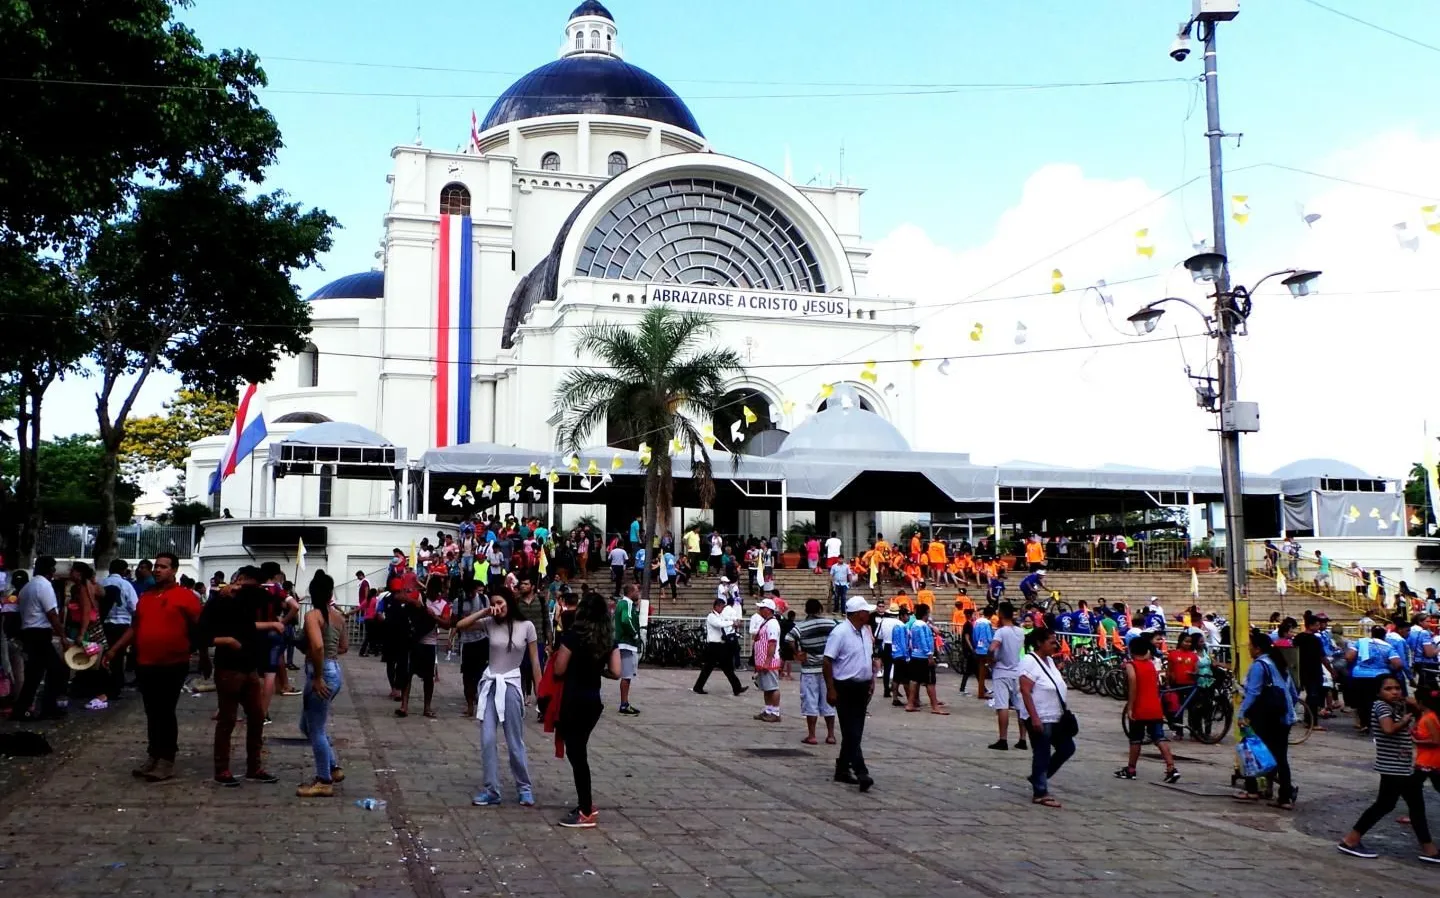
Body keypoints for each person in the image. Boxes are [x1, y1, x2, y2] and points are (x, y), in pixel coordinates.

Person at [102, 553, 203, 782]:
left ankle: (167, 759)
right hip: (146, 663)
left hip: (173, 663)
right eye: (156, 566)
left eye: (163, 567)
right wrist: (114, 649)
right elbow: (135, 627)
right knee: (152, 710)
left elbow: (199, 628)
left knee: (165, 711)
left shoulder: (186, 597)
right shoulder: (146, 597)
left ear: (174, 570)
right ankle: (154, 755)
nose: (158, 570)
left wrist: (204, 656)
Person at [1337, 674, 1440, 863]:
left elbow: (1416, 705)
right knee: (1402, 806)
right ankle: (1350, 841)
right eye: (1388, 689)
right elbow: (1388, 729)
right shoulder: (1381, 706)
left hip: (1398, 766)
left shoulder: (1393, 705)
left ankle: (1429, 849)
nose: (1394, 692)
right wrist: (1406, 719)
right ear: (1378, 692)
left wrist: (1409, 701)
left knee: (1393, 805)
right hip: (1393, 766)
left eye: (1397, 688)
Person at [455, 587, 539, 807]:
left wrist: (541, 695)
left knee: (514, 741)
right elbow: (460, 626)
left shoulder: (526, 627)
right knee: (487, 739)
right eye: (495, 603)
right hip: (491, 684)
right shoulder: (490, 624)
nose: (498, 607)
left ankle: (524, 787)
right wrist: (484, 611)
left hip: (511, 685)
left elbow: (535, 662)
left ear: (510, 602)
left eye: (501, 602)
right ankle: (491, 789)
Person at [199, 566, 274, 787]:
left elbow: (269, 597)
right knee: (227, 720)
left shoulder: (249, 599)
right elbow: (201, 635)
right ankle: (222, 769)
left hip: (249, 667)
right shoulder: (218, 602)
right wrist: (228, 641)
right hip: (228, 668)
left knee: (257, 716)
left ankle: (254, 766)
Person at [553, 592, 621, 828]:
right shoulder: (607, 638)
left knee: (577, 755)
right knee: (579, 752)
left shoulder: (574, 636)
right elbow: (616, 671)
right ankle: (586, 803)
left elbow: (559, 669)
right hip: (593, 700)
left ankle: (585, 810)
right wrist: (597, 670)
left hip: (573, 699)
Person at [1232, 631, 1299, 806]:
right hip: (1284, 715)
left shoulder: (1259, 665)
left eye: (1250, 647)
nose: (1249, 650)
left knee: (1251, 750)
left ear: (1257, 649)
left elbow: (1253, 692)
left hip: (1265, 717)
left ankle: (1252, 789)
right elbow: (1293, 692)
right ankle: (1285, 796)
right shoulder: (1279, 664)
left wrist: (1241, 713)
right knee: (1280, 757)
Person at [297, 571, 348, 797]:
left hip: (321, 671)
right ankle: (333, 767)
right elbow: (344, 647)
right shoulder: (338, 616)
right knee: (306, 725)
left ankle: (323, 780)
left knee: (315, 728)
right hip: (334, 669)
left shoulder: (312, 616)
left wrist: (317, 676)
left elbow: (317, 647)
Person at [824, 596, 878, 792]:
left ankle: (842, 767)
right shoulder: (840, 633)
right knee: (851, 730)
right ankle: (861, 771)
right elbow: (827, 661)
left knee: (855, 730)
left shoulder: (864, 631)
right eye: (866, 611)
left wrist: (871, 680)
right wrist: (831, 689)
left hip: (861, 686)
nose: (869, 614)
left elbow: (867, 657)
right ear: (857, 613)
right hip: (844, 686)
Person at [1019, 627, 1074, 808]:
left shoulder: (1049, 661)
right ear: (1039, 643)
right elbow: (1025, 691)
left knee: (1067, 748)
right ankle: (1040, 791)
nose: (1055, 645)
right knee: (1042, 752)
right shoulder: (1029, 661)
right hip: (1040, 715)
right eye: (1051, 641)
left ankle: (1038, 777)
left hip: (1056, 716)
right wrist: (1034, 718)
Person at [10, 556, 69, 722]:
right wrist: (62, 636)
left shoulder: (28, 587)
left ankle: (21, 710)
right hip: (40, 633)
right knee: (57, 670)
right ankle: (49, 707)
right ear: (50, 570)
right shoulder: (44, 586)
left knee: (35, 674)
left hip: (29, 632)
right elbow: (51, 613)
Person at [1116, 635, 1180, 784]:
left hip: (1140, 706)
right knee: (1159, 737)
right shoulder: (1150, 664)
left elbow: (1133, 684)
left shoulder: (1132, 665)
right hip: (1154, 706)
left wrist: (1130, 707)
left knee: (1135, 739)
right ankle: (1171, 768)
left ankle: (1131, 769)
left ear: (1131, 650)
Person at [787, 599, 838, 746]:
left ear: (806, 610)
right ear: (821, 609)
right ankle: (830, 735)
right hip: (827, 668)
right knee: (829, 701)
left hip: (810, 668)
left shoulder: (801, 626)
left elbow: (789, 638)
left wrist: (797, 652)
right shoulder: (831, 624)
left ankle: (812, 735)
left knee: (810, 701)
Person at [987, 602, 1028, 751]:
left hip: (1001, 671)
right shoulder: (1020, 631)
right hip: (1017, 670)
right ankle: (1023, 739)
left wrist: (991, 659)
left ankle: (1003, 738)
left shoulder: (1001, 631)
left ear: (1001, 614)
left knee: (1002, 706)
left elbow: (992, 648)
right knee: (1020, 706)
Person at [1346, 626, 1402, 732]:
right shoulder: (1388, 647)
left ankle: (1364, 724)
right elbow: (1398, 664)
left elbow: (1349, 657)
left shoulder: (1360, 642)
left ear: (1372, 634)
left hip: (1360, 675)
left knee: (1362, 701)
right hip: (1379, 677)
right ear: (1384, 636)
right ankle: (1380, 722)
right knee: (1377, 701)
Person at [99, 559, 139, 701]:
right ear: (123, 571)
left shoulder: (101, 583)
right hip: (122, 625)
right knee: (118, 656)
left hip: (104, 624)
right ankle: (116, 686)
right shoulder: (126, 585)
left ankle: (104, 685)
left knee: (103, 655)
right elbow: (134, 607)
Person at [693, 597, 747, 695]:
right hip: (714, 645)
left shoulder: (719, 616)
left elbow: (725, 621)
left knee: (726, 667)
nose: (722, 609)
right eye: (721, 607)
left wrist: (734, 623)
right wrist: (732, 623)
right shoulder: (711, 616)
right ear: (716, 606)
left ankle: (737, 687)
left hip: (720, 645)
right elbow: (719, 624)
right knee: (708, 668)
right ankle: (698, 687)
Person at [453, 582, 489, 718]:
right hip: (467, 642)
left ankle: (482, 704)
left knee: (482, 674)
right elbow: (455, 621)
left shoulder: (483, 599)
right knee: (467, 676)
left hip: (482, 640)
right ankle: (469, 705)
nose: (471, 595)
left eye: (472, 592)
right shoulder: (459, 602)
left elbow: (488, 617)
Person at [906, 604, 948, 715]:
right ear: (926, 613)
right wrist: (929, 655)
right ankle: (935, 706)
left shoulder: (915, 625)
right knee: (930, 682)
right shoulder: (922, 626)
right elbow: (923, 641)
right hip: (923, 657)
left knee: (914, 680)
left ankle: (910, 703)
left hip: (915, 655)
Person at [752, 598, 783, 722]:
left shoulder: (772, 624)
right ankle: (768, 710)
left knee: (772, 687)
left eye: (762, 608)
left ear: (768, 610)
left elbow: (772, 643)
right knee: (766, 687)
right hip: (762, 661)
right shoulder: (766, 622)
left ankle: (775, 712)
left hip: (769, 661)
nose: (759, 610)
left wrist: (767, 661)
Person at [613, 585, 641, 716]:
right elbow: (626, 619)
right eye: (637, 591)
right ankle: (624, 704)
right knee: (627, 675)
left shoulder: (621, 603)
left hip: (621, 642)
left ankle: (624, 703)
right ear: (630, 592)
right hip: (627, 643)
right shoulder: (627, 604)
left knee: (625, 674)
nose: (638, 593)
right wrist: (634, 633)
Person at [972, 605, 993, 700]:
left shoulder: (977, 622)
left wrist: (976, 644)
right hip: (986, 648)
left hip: (978, 647)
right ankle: (983, 692)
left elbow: (975, 636)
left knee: (981, 670)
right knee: (986, 670)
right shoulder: (988, 623)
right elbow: (989, 637)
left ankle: (980, 691)